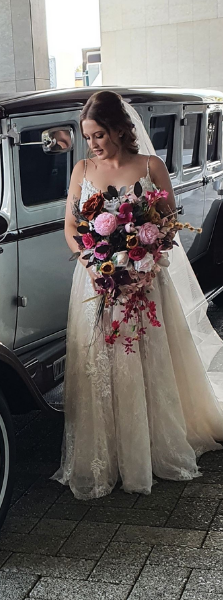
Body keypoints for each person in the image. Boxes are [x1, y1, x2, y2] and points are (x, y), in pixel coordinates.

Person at [53, 90, 223, 499]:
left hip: (144, 282)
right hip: (96, 280)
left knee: (144, 355)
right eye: (87, 136)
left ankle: (150, 446)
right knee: (100, 360)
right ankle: (106, 454)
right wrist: (91, 261)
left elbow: (169, 225)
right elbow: (71, 228)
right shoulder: (82, 169)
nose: (92, 143)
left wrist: (140, 253)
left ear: (118, 129)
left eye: (98, 135)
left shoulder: (151, 166)